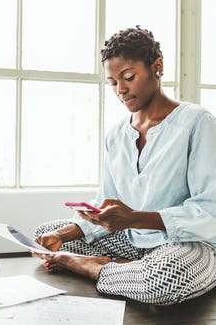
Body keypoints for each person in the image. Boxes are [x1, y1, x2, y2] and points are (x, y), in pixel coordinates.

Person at [33, 26, 216, 305]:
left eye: (128, 77)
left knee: (164, 279)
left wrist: (134, 218)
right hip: (131, 240)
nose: (121, 90)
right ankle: (122, 268)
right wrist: (62, 233)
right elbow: (105, 205)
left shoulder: (196, 122)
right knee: (44, 235)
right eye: (113, 82)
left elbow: (209, 211)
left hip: (188, 244)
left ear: (157, 67)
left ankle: (91, 266)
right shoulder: (117, 134)